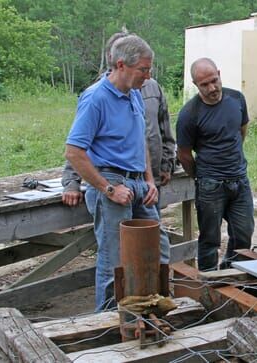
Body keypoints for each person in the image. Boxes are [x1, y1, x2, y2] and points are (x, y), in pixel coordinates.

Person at [61, 32, 175, 265]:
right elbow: (74, 151)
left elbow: (139, 139)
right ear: (121, 65)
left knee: (158, 250)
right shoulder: (95, 98)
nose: (148, 75)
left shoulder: (134, 94)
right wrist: (109, 189)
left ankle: (156, 300)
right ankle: (111, 304)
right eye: (143, 70)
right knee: (116, 262)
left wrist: (149, 180)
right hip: (112, 182)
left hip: (139, 185)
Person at [176, 58, 254, 271]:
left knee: (243, 234)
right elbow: (184, 154)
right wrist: (200, 176)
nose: (212, 88)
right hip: (210, 184)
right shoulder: (189, 114)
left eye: (214, 80)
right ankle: (208, 283)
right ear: (196, 85)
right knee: (210, 239)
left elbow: (242, 129)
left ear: (219, 74)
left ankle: (233, 275)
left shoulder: (236, 99)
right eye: (205, 84)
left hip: (239, 180)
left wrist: (233, 158)